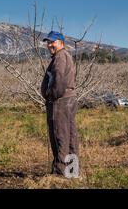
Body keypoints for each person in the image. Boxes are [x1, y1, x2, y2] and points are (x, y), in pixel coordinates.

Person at [41, 31, 79, 177]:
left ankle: (60, 172)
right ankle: (72, 172)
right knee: (70, 136)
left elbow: (59, 79)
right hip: (68, 99)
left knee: (59, 135)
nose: (49, 44)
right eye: (48, 42)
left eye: (53, 42)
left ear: (61, 43)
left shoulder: (60, 57)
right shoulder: (64, 56)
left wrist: (51, 96)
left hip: (60, 100)